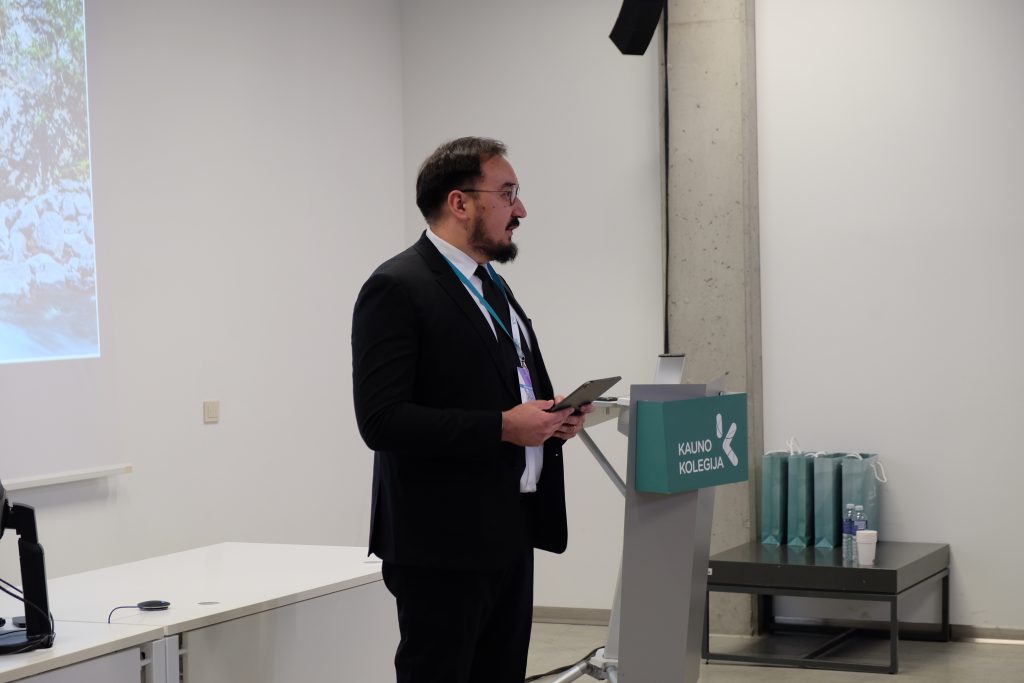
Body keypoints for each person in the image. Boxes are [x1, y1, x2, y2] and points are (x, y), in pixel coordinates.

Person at [352, 136, 591, 683]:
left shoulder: (493, 285)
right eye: (507, 194)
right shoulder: (396, 286)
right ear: (459, 202)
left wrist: (552, 417)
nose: (520, 209)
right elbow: (382, 420)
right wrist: (505, 427)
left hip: (509, 528)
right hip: (441, 541)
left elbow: (501, 384)